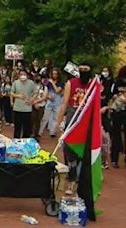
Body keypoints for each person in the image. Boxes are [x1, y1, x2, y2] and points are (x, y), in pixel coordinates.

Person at [57, 63, 94, 195]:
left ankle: (84, 184)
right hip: (72, 119)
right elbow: (64, 103)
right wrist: (59, 121)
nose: (83, 71)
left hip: (87, 121)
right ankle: (72, 182)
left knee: (85, 154)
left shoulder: (94, 86)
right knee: (70, 151)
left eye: (86, 69)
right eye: (81, 69)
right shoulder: (70, 83)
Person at [38, 68, 64, 138]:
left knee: (55, 118)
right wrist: (48, 97)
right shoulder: (47, 83)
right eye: (53, 74)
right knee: (45, 118)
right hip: (49, 102)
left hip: (57, 102)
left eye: (56, 74)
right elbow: (45, 93)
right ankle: (40, 132)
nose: (54, 75)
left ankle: (52, 132)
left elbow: (57, 90)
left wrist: (52, 83)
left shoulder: (61, 83)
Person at [11, 70, 36, 138]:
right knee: (17, 127)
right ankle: (16, 141)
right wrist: (17, 96)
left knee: (27, 128)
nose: (23, 76)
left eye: (24, 74)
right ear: (19, 75)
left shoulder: (31, 83)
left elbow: (35, 92)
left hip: (27, 108)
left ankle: (25, 142)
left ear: (27, 75)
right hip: (17, 108)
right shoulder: (15, 82)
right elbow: (11, 93)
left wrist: (32, 100)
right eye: (21, 74)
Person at [109, 66, 126, 168]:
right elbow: (112, 94)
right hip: (118, 111)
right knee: (116, 135)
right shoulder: (117, 82)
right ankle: (114, 159)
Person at [31, 75, 46, 140]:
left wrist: (37, 102)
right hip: (32, 105)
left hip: (41, 105)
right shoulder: (31, 86)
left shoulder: (44, 87)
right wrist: (34, 103)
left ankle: (36, 135)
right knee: (32, 120)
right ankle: (30, 133)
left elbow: (44, 96)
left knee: (38, 121)